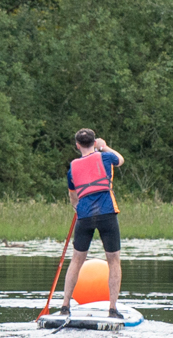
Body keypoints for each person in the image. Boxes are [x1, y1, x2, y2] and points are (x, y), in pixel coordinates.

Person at [50, 129, 125, 314]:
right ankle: (112, 308)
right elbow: (120, 160)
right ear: (94, 142)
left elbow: (73, 198)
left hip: (84, 216)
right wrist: (104, 146)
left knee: (76, 260)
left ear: (77, 145)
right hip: (107, 213)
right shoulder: (105, 158)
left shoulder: (72, 168)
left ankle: (65, 305)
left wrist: (77, 207)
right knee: (113, 260)